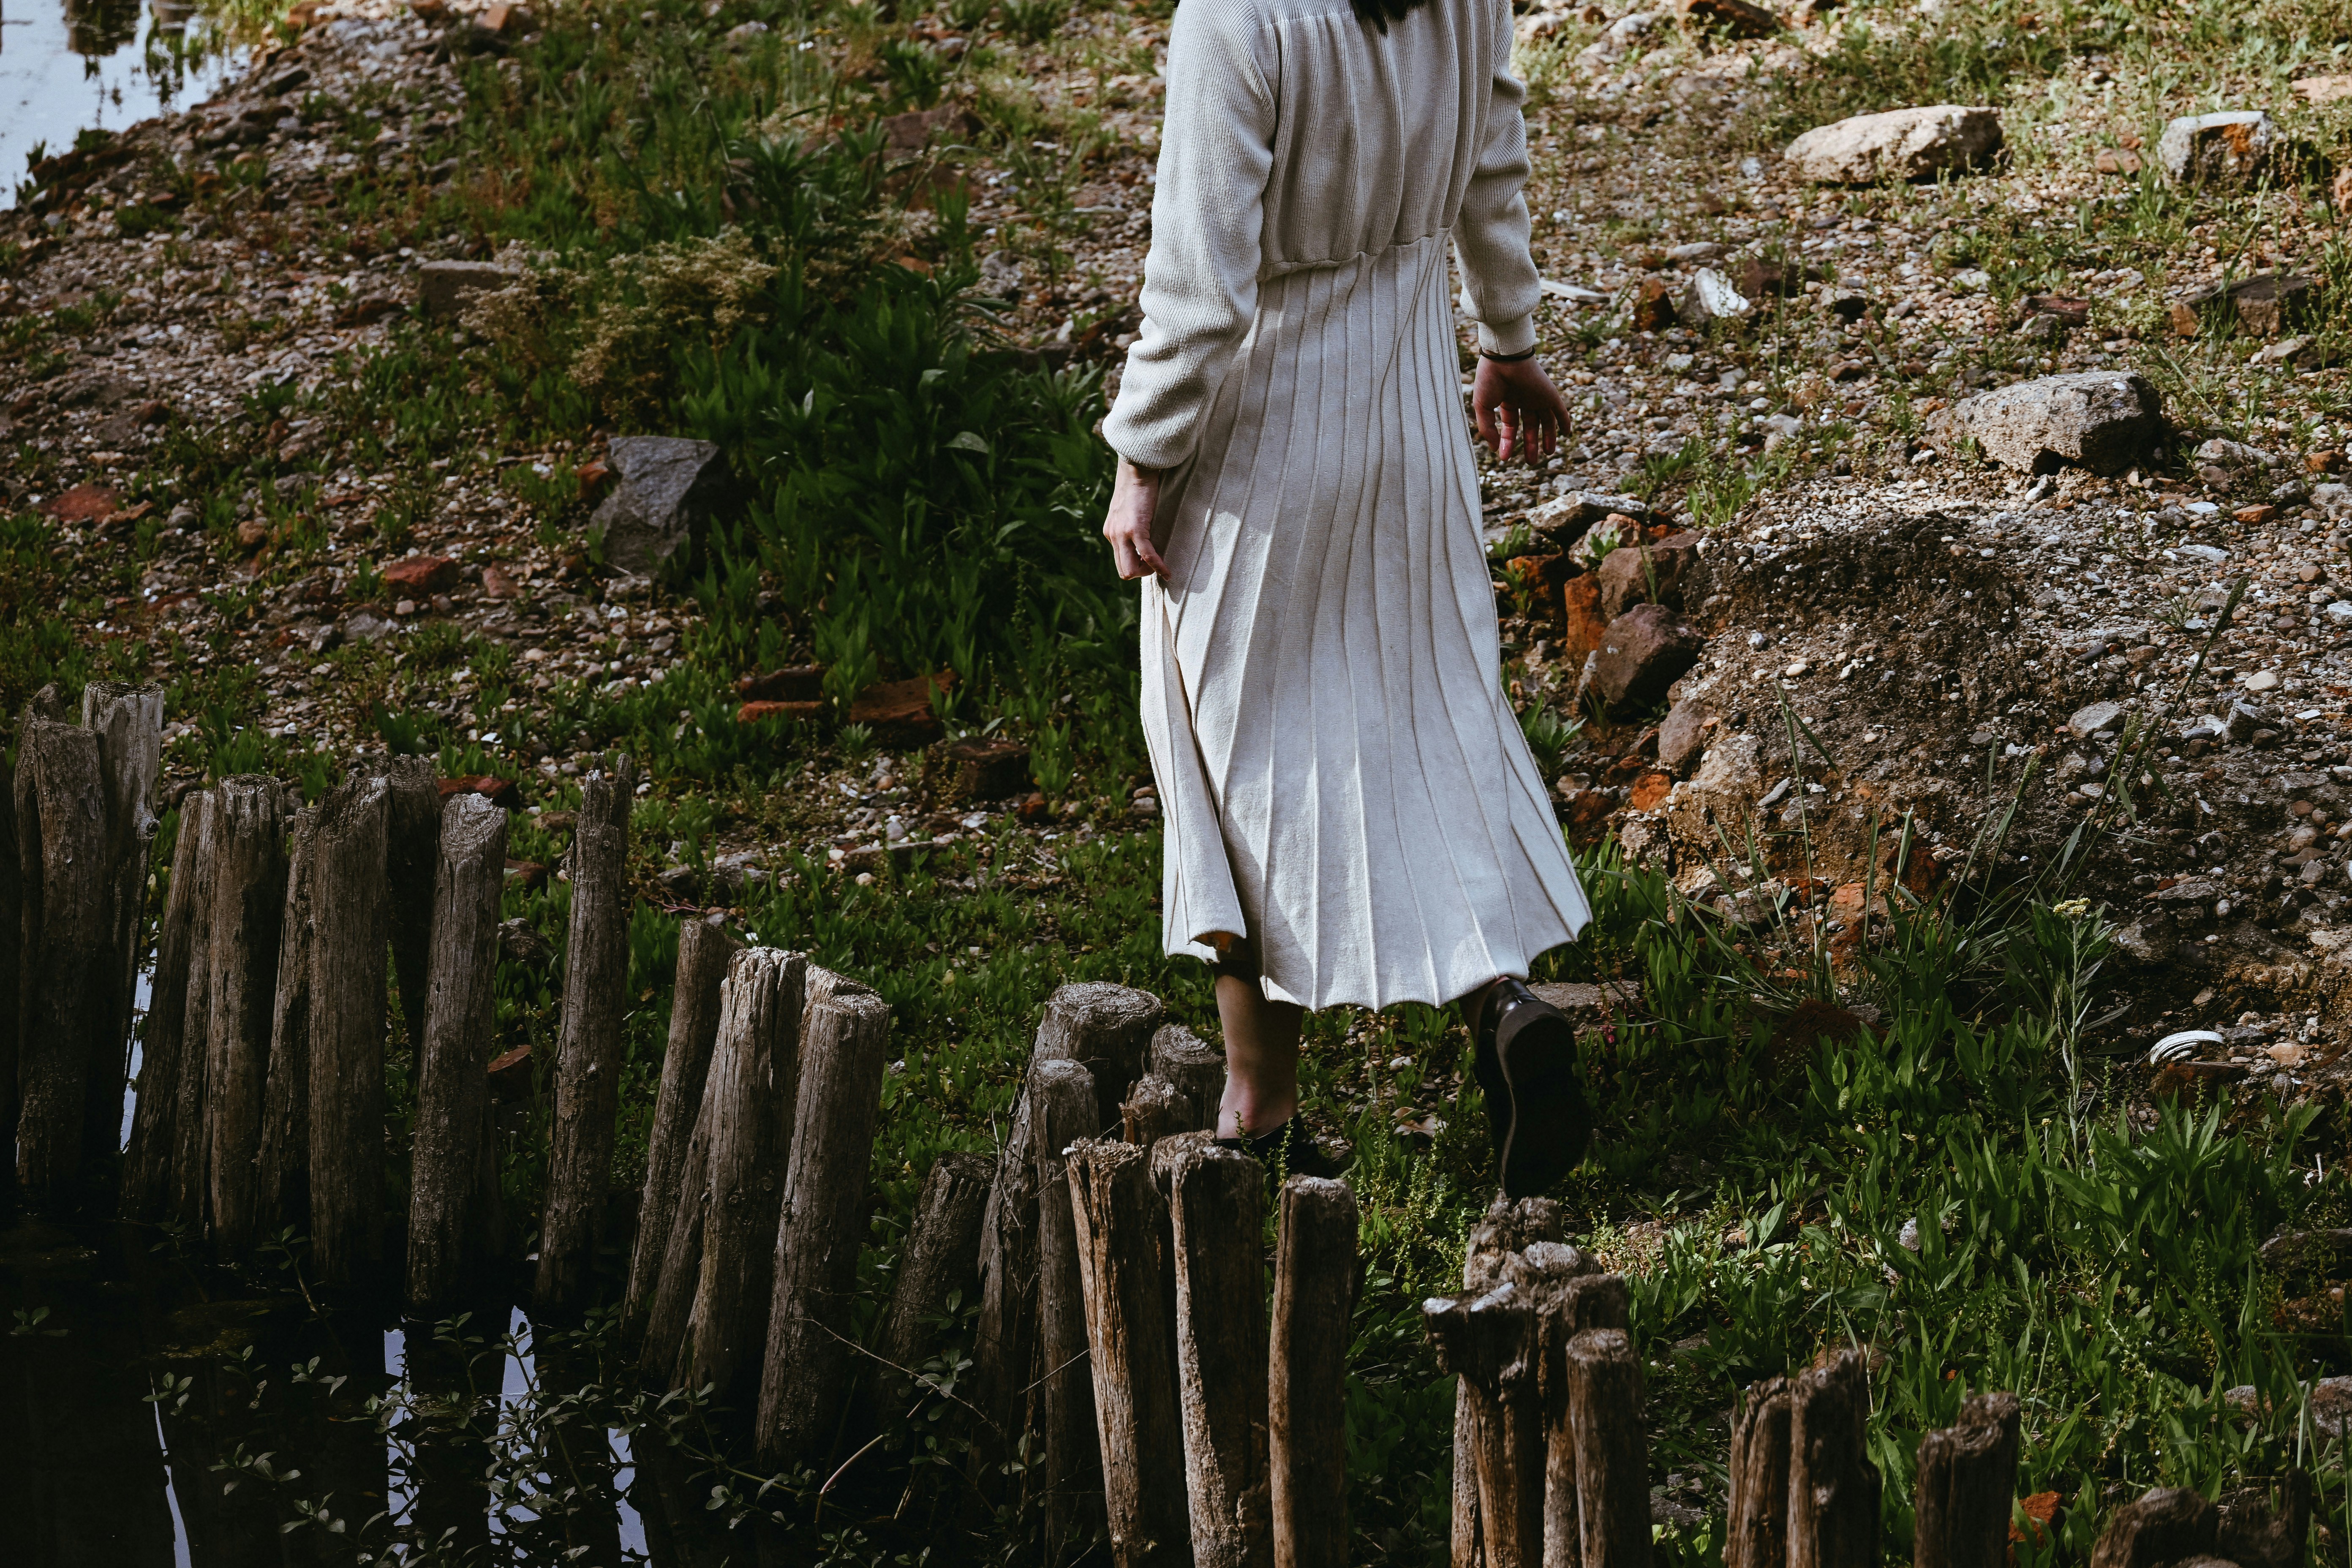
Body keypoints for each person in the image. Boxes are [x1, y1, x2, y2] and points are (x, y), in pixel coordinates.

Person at [1098, 0, 1592, 1199]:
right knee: (1421, 712)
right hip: (1409, 401)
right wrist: (1510, 333)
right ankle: (1502, 998)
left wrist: (1142, 460)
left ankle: (1260, 1108)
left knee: (1224, 744)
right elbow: (1492, 148)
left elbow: (1202, 284)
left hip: (1269, 432)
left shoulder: (1236, 18)